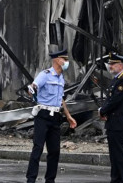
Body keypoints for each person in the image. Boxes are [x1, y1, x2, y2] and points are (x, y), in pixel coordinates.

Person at [25, 48, 78, 183]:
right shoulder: (45, 74)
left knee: (54, 151)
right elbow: (34, 86)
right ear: (56, 60)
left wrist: (68, 116)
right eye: (64, 59)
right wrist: (32, 90)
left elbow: (61, 99)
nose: (66, 62)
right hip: (43, 115)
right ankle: (31, 179)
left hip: (55, 117)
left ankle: (50, 180)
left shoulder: (61, 78)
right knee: (38, 148)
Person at [98, 52, 123, 183]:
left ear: (120, 65)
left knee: (120, 153)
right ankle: (116, 179)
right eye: (110, 64)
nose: (110, 66)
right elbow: (110, 99)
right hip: (113, 121)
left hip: (119, 122)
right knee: (114, 154)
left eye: (113, 64)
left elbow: (115, 101)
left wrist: (102, 111)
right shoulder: (116, 79)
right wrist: (104, 112)